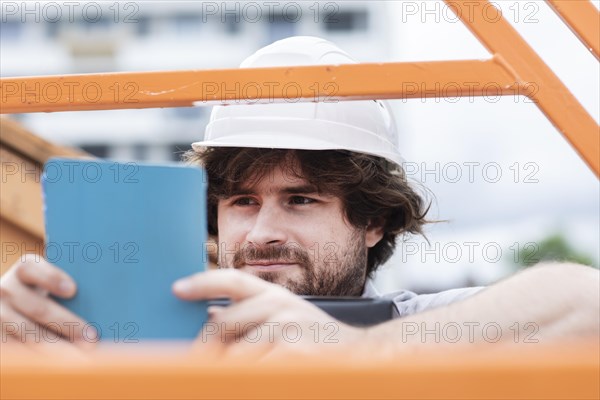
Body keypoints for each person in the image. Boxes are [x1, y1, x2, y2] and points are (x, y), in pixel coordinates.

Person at [1, 37, 598, 360]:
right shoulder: (139, 337)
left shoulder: (425, 331)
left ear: (373, 221)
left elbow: (585, 300)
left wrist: (355, 356)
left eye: (301, 199)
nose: (261, 232)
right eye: (240, 201)